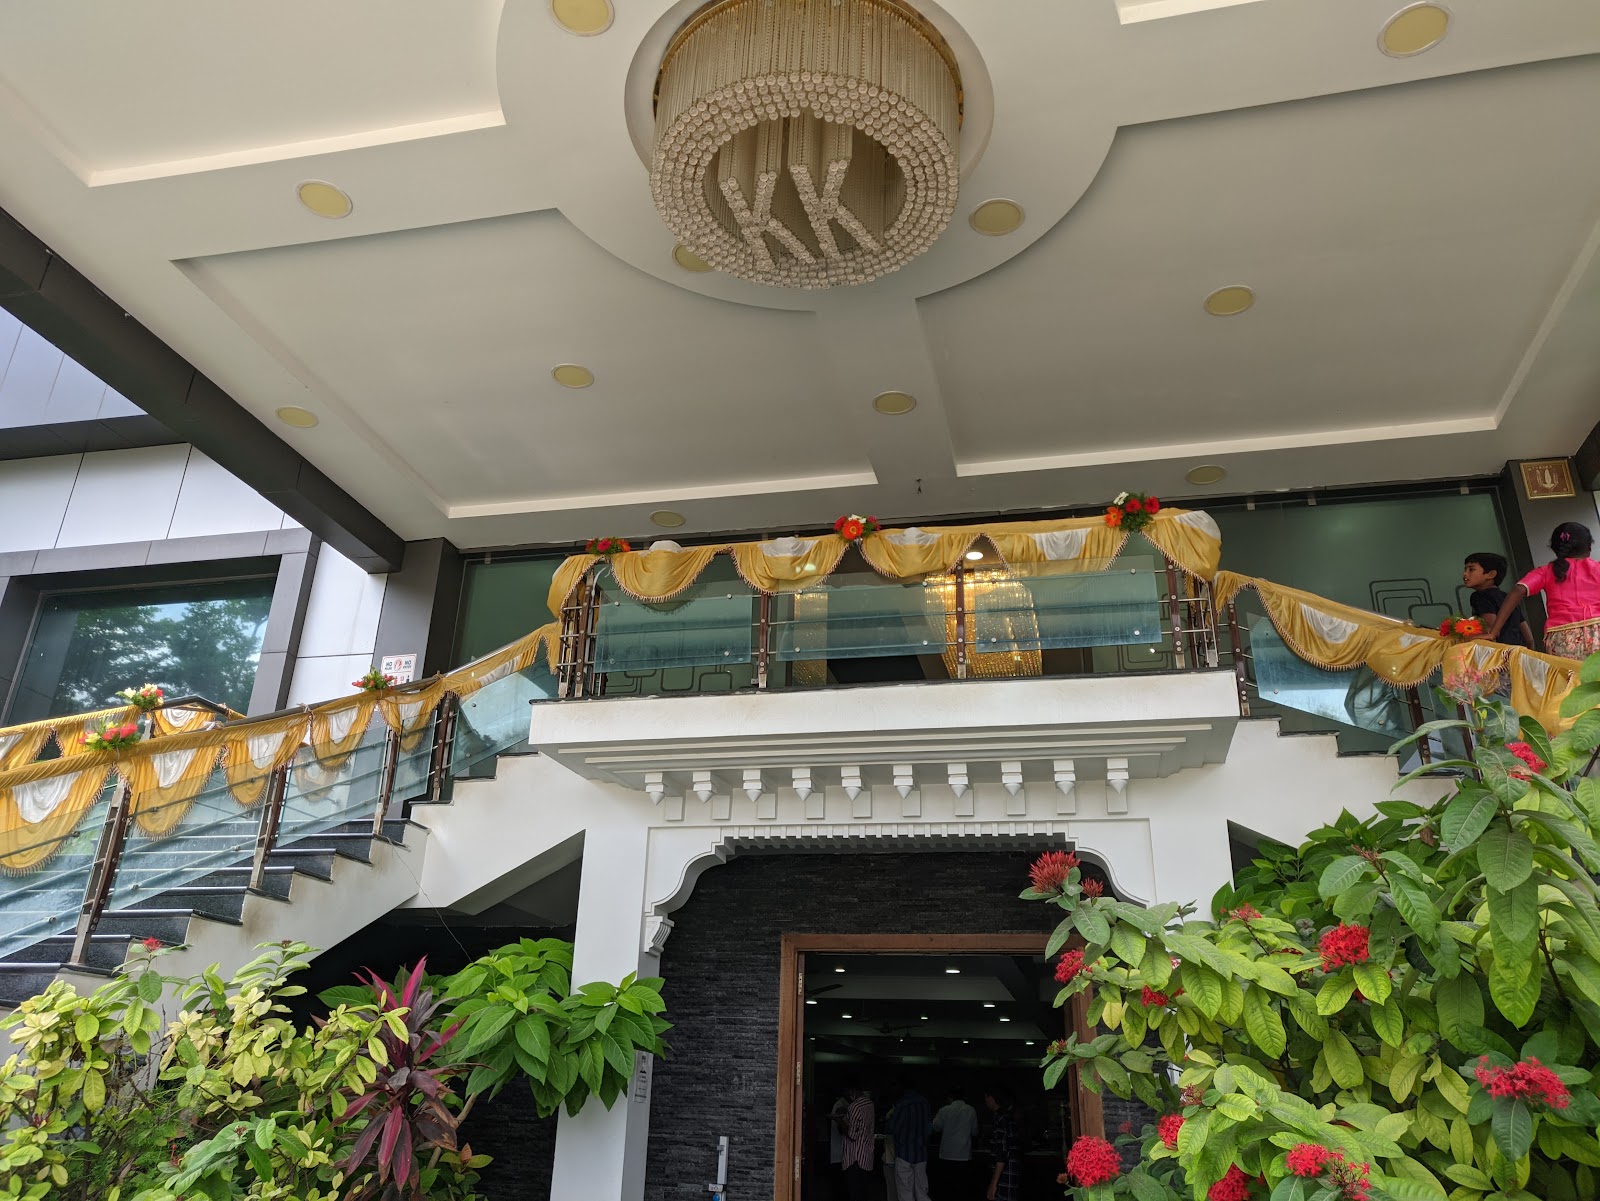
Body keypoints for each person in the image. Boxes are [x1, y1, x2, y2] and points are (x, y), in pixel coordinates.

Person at [1487, 523, 1600, 660]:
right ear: (1589, 546)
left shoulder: (1546, 571)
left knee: (1569, 674)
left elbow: (1518, 590)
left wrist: (1493, 632)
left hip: (1561, 637)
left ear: (1555, 549)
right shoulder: (1597, 568)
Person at [1463, 552, 1533, 649]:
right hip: (1518, 652)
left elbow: (1489, 631)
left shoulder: (1480, 596)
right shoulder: (1509, 598)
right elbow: (1529, 639)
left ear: (1491, 574)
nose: (1465, 574)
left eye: (1471, 569)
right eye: (1465, 569)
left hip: (1499, 653)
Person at [885, 1078, 933, 1201]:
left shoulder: (902, 1104)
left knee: (905, 1193)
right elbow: (929, 1127)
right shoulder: (924, 1102)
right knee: (922, 1193)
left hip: (904, 1153)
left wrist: (889, 1118)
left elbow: (892, 1129)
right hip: (921, 1154)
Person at [931, 1087, 978, 1200]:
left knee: (947, 1188)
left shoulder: (944, 1110)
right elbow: (975, 1132)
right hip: (964, 1156)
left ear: (950, 1097)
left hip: (946, 1155)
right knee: (962, 1188)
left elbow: (935, 1127)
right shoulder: (971, 1110)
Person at [839, 1080, 876, 1201]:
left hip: (855, 1159)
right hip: (867, 1157)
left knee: (855, 1193)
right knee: (864, 1193)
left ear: (853, 1090)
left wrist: (840, 1122)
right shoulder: (870, 1104)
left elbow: (852, 1135)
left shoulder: (854, 1106)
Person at [983, 1088, 1019, 1201]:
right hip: (1010, 1176)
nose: (985, 1101)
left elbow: (1001, 1154)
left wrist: (993, 1184)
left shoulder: (1001, 1119)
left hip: (1004, 1178)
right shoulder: (1007, 1117)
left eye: (986, 1098)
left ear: (992, 1098)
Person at [828, 1092, 850, 1200]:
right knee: (840, 1185)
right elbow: (841, 1129)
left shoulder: (843, 1104)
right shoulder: (840, 1105)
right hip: (840, 1152)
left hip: (840, 1152)